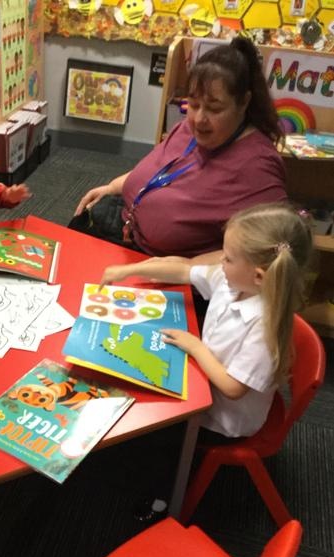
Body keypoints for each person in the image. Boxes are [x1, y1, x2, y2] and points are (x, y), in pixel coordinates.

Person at [99, 203, 313, 517]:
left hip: (223, 418)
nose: (220, 261)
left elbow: (233, 388)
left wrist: (197, 348)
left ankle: (163, 498)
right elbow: (184, 270)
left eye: (228, 257)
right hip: (203, 379)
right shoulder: (234, 282)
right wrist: (129, 270)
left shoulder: (264, 327)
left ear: (258, 275)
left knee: (155, 431)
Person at [71, 37, 287, 260]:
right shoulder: (190, 128)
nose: (199, 119)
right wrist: (113, 187)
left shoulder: (258, 166)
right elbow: (159, 170)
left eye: (214, 109)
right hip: (124, 228)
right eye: (193, 104)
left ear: (244, 103)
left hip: (161, 263)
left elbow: (271, 253)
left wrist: (187, 269)